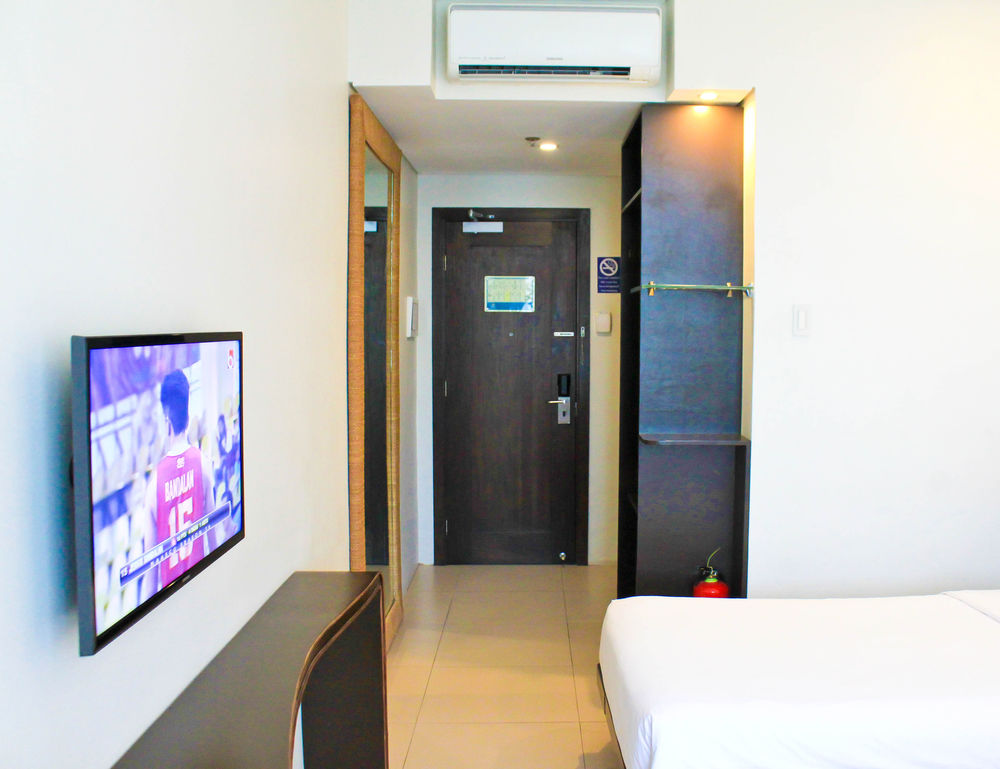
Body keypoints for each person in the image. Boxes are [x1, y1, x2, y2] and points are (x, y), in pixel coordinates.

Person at [145, 369, 215, 590]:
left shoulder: (154, 484)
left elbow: (150, 580)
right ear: (187, 408)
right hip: (203, 585)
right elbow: (214, 541)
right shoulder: (203, 463)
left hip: (169, 599)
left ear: (165, 414)